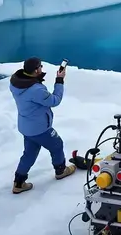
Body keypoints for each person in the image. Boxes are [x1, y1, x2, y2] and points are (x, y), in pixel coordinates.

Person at [9, 57, 75, 194]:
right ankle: (61, 170)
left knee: (29, 154)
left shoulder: (17, 83)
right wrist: (59, 80)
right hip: (39, 128)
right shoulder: (35, 90)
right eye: (40, 67)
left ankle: (19, 182)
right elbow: (54, 100)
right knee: (57, 145)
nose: (41, 69)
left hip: (26, 127)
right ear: (35, 70)